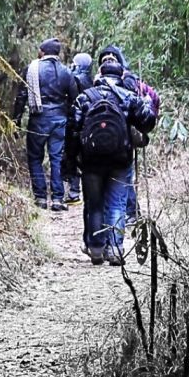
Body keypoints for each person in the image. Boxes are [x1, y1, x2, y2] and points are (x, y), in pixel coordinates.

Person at [70, 58, 156, 265]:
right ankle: (116, 249)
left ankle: (97, 249)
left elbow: (72, 128)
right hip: (120, 160)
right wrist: (145, 103)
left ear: (99, 75)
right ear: (120, 76)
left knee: (94, 204)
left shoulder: (85, 97)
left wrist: (72, 159)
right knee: (116, 203)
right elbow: (148, 123)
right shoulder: (129, 97)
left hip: (91, 161)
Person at [12, 38, 78, 211]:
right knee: (56, 158)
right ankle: (57, 199)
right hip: (59, 120)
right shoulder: (66, 72)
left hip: (38, 119)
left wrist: (15, 120)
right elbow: (74, 99)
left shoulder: (31, 69)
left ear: (43, 52)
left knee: (35, 157)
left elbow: (21, 97)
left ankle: (40, 197)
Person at [96, 45, 160, 221]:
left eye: (111, 58)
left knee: (122, 176)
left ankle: (130, 212)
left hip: (120, 134)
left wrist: (144, 120)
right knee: (121, 175)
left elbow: (151, 99)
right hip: (113, 134)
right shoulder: (102, 81)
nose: (108, 59)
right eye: (105, 58)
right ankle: (128, 212)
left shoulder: (129, 81)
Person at [61, 52, 94, 205]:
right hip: (89, 124)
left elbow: (71, 102)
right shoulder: (92, 80)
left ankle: (73, 192)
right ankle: (81, 190)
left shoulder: (74, 79)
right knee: (83, 156)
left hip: (75, 121)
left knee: (71, 155)